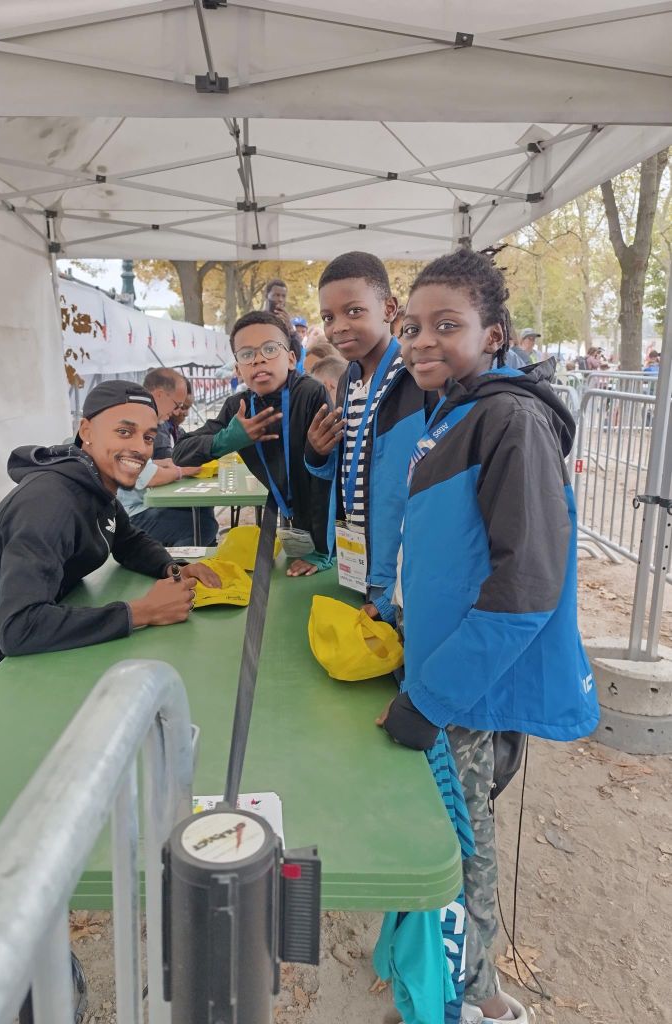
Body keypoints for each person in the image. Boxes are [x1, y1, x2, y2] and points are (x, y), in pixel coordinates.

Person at [378, 249, 599, 1023]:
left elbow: (525, 587)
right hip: (439, 675)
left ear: (493, 335)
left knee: (458, 847)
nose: (421, 341)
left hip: (463, 694)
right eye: (411, 327)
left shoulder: (509, 420)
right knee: (440, 835)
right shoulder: (453, 412)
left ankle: (476, 1001)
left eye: (447, 325)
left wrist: (430, 698)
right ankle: (444, 987)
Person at [0, 381, 221, 688]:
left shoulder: (94, 483)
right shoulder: (49, 503)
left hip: (45, 634)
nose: (141, 448)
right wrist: (142, 612)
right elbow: (18, 627)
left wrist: (173, 568)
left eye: (148, 437)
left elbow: (127, 540)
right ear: (86, 431)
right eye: (124, 431)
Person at [305, 251, 428, 624]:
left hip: (403, 580)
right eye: (329, 317)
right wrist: (319, 452)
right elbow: (357, 470)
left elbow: (421, 495)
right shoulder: (348, 379)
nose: (339, 327)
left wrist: (395, 595)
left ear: (389, 308)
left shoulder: (417, 377)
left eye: (354, 311)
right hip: (360, 567)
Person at [173, 311, 333, 577]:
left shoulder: (310, 393)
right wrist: (226, 439)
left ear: (291, 359)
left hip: (328, 525)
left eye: (270, 349)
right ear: (238, 369)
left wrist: (324, 548)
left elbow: (325, 480)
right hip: (294, 521)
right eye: (247, 354)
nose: (258, 359)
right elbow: (180, 453)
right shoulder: (239, 407)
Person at [120, 371, 218, 547]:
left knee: (203, 508)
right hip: (130, 514)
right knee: (205, 527)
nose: (176, 412)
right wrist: (181, 470)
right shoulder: (133, 425)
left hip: (137, 504)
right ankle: (172, 562)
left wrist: (164, 463)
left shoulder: (139, 420)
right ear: (159, 395)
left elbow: (138, 465)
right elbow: (149, 477)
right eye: (177, 404)